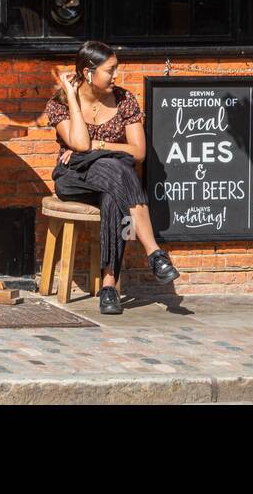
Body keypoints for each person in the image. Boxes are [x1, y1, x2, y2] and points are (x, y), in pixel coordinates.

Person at [44, 41, 180, 315]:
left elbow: (139, 152)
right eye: (110, 70)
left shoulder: (124, 100)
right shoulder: (59, 103)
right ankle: (154, 252)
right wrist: (72, 96)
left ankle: (108, 287)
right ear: (88, 73)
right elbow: (80, 145)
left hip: (113, 181)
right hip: (74, 177)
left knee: (112, 195)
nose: (116, 76)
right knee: (119, 169)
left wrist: (100, 147)